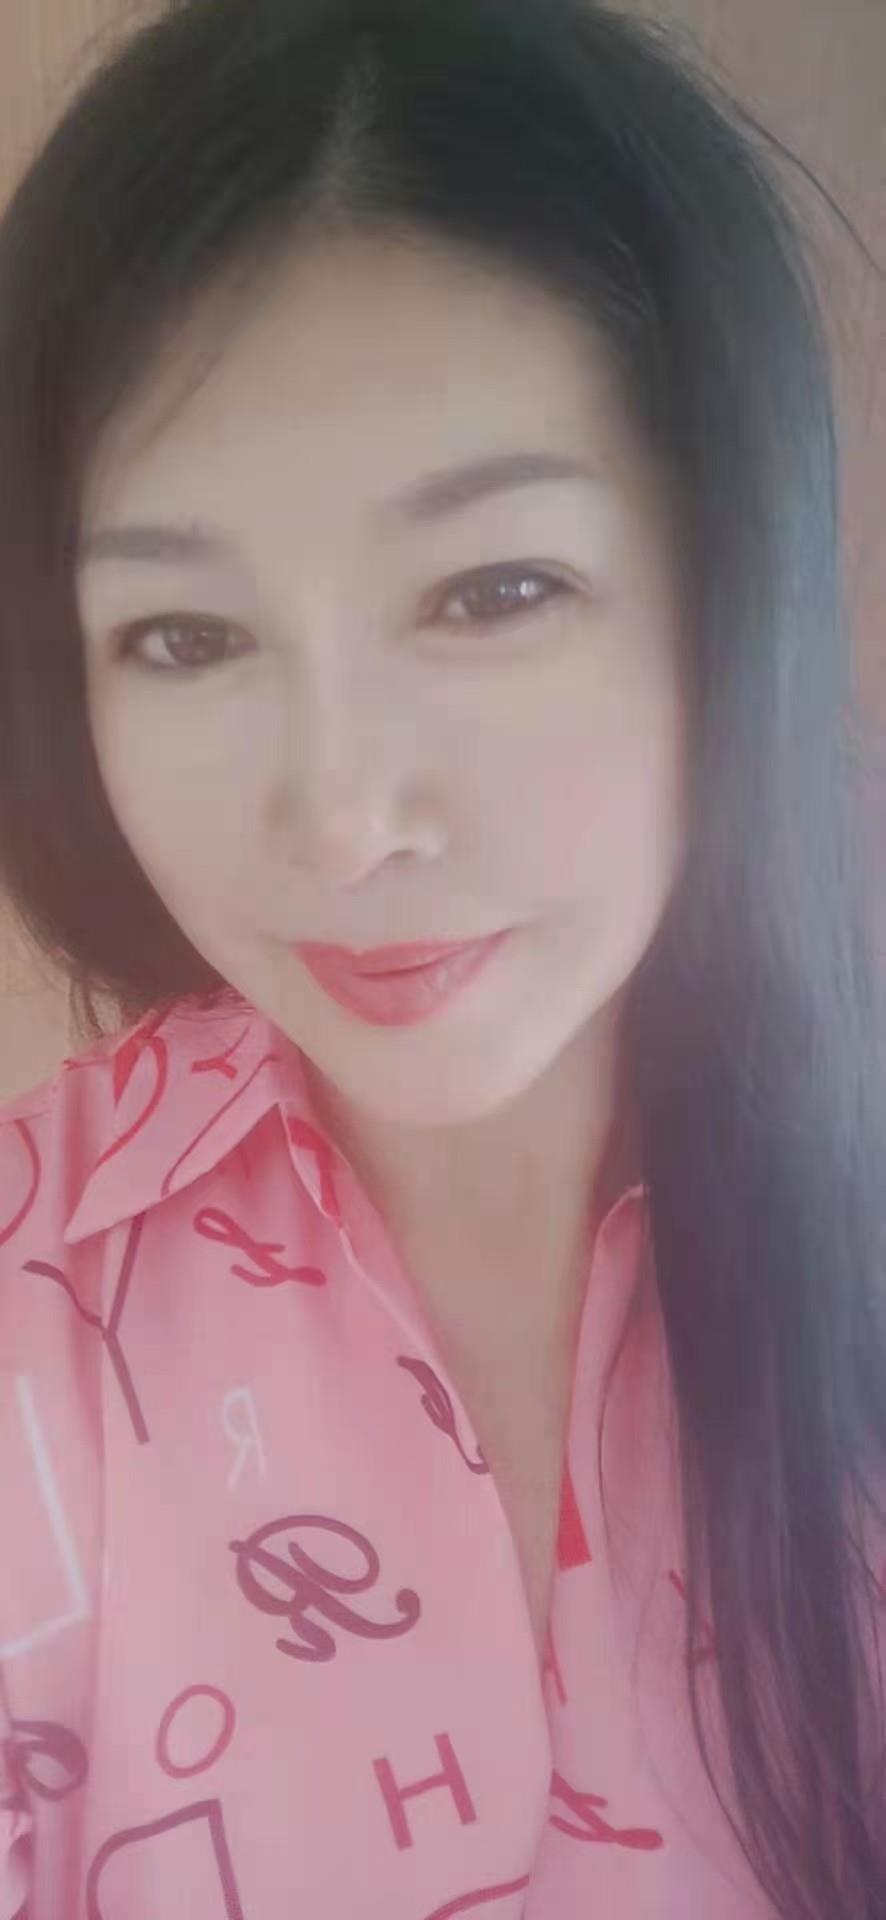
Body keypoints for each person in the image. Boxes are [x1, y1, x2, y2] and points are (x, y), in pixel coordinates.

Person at [0, 0, 884, 1912]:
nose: (343, 825)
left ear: (726, 586)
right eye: (183, 636)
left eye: (494, 591)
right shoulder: (34, 1287)